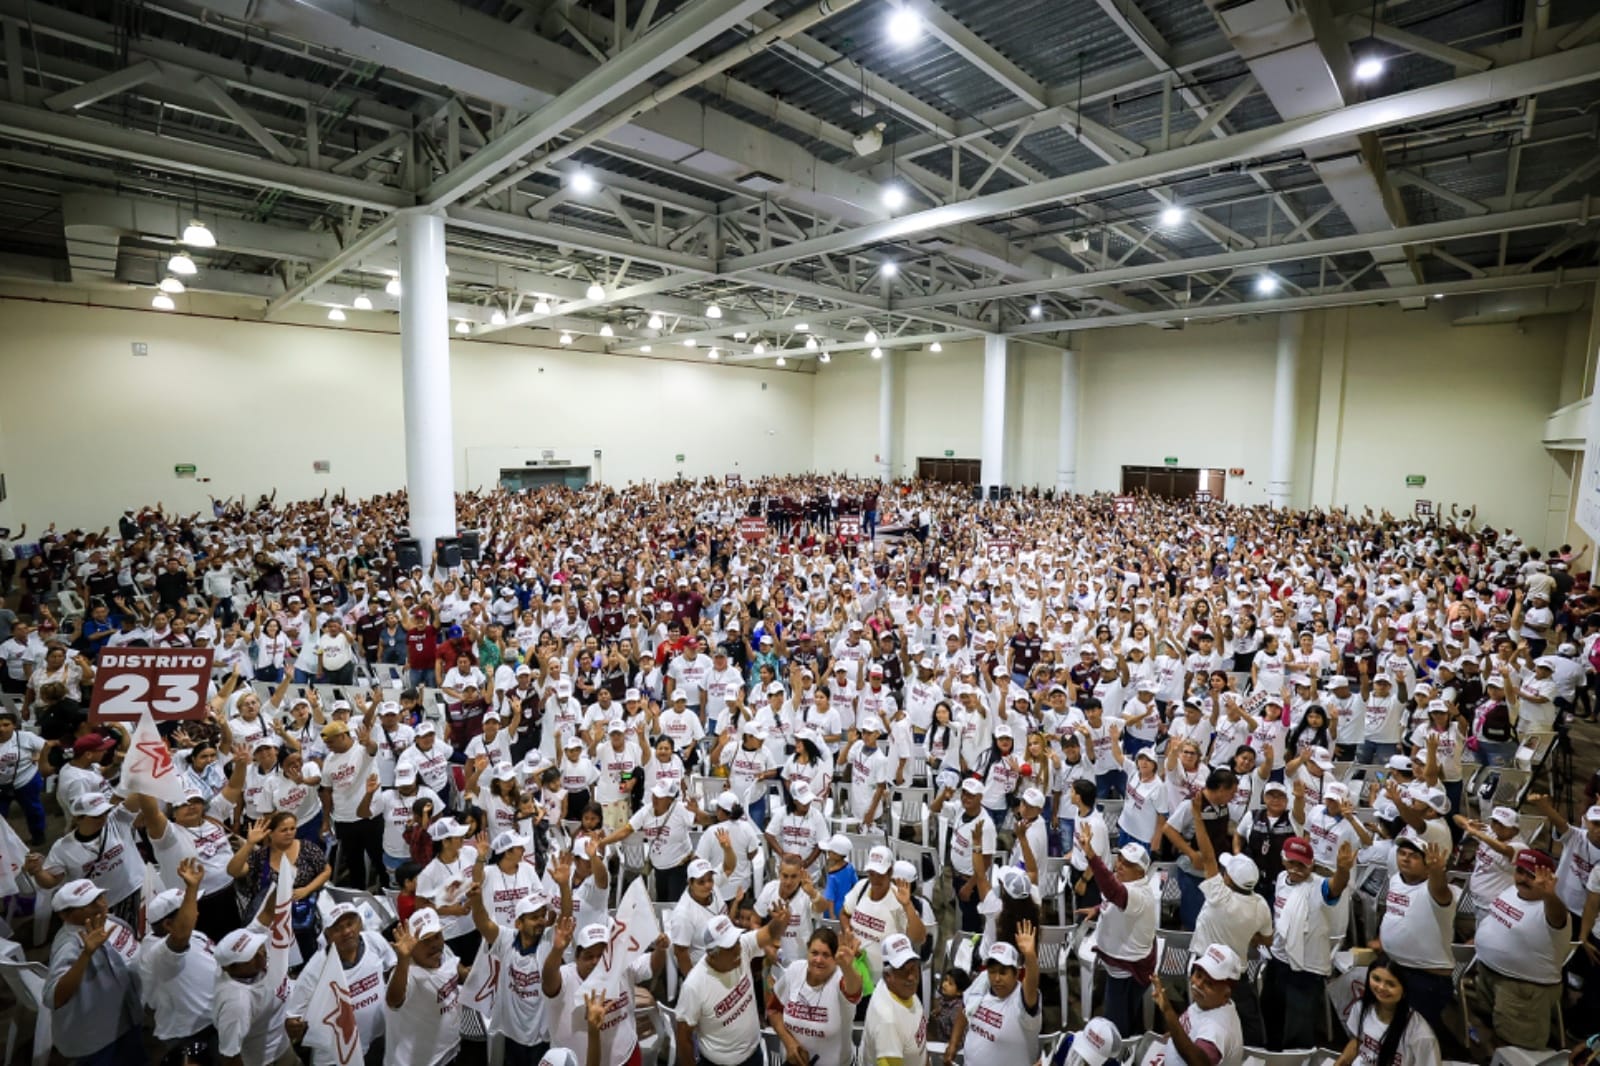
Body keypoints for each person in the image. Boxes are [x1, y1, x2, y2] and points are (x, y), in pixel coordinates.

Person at [1469, 848, 1569, 1052]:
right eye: (1520, 871)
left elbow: (1559, 918)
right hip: (1489, 974)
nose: (1523, 879)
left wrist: (1549, 896)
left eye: (1531, 875)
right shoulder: (1511, 891)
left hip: (1523, 988)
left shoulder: (1551, 908)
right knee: (1492, 1029)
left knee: (1517, 1047)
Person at [1262, 836, 1355, 1050]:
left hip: (1305, 968)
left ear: (1311, 864)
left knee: (1298, 1027)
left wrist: (1342, 871)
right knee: (1272, 1013)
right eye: (1291, 862)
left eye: (1302, 865)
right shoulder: (1281, 878)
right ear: (1283, 859)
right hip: (1279, 959)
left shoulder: (1318, 886)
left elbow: (1335, 887)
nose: (1295, 869)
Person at [541, 915, 671, 1066]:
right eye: (589, 956)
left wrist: (660, 949)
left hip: (626, 1055)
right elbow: (548, 980)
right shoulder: (566, 978)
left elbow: (651, 965)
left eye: (602, 955)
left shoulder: (621, 965)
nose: (596, 961)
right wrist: (557, 950)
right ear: (577, 958)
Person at [44, 878, 145, 1065]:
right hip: (98, 1036)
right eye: (89, 904)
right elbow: (54, 997)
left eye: (100, 897)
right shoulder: (69, 945)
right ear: (65, 915)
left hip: (127, 1017)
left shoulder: (111, 921)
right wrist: (86, 954)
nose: (101, 905)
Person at [674, 906, 790, 1066]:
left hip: (753, 1055)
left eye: (736, 941)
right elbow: (683, 1037)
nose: (737, 949)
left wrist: (780, 922)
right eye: (729, 947)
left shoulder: (743, 946)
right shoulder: (694, 986)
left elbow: (769, 933)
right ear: (712, 955)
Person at [286, 902, 396, 1066]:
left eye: (350, 924)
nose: (346, 932)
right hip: (338, 1054)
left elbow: (391, 967)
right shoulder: (315, 968)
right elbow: (293, 1015)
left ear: (359, 924)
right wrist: (294, 1025)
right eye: (338, 928)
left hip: (377, 1038)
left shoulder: (375, 941)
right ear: (327, 935)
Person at [468, 870, 556, 1066]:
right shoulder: (506, 939)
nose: (541, 921)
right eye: (534, 917)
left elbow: (566, 916)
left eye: (543, 915)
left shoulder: (549, 941)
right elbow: (484, 923)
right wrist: (476, 900)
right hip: (512, 1034)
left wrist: (564, 887)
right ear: (519, 923)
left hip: (542, 1035)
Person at [1078, 824, 1158, 1038]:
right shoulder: (1126, 884)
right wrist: (1097, 909)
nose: (1120, 865)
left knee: (1116, 1025)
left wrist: (1091, 855)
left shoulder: (1139, 894)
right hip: (1120, 961)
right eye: (1120, 859)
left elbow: (1114, 892)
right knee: (1128, 1013)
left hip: (1127, 968)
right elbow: (1113, 900)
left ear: (1140, 871)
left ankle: (1119, 1050)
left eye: (1127, 864)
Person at [1376, 834, 1459, 1038]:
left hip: (1426, 978)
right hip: (1395, 969)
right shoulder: (1396, 880)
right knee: (1393, 1030)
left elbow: (1440, 890)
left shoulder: (1438, 891)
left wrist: (1437, 872)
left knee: (1417, 1036)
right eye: (1402, 853)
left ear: (1427, 866)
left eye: (1413, 856)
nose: (1405, 858)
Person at [139, 858, 220, 1059]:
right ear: (168, 924)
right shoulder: (158, 953)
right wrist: (191, 889)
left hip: (215, 1019)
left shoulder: (194, 934)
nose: (196, 911)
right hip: (193, 1033)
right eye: (188, 908)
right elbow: (180, 937)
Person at [945, 922, 1043, 1065]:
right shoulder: (983, 981)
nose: (997, 978)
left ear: (1016, 973)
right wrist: (953, 1045)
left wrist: (1030, 955)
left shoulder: (1022, 1001)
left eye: (1003, 972)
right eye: (992, 971)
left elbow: (1032, 983)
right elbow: (964, 1009)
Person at [770, 926, 863, 1066]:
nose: (818, 960)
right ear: (807, 951)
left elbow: (854, 991)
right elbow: (774, 1010)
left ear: (835, 958)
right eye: (814, 953)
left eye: (826, 955)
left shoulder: (841, 978)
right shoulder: (795, 970)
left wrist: (848, 967)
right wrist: (789, 1043)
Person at [384, 908, 462, 1066]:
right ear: (411, 946)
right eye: (425, 941)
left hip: (449, 1050)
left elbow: (458, 970)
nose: (434, 944)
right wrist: (403, 960)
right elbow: (394, 1000)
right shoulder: (408, 973)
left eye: (437, 936)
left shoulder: (444, 952)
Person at [1148, 943, 1246, 1066]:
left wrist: (1168, 1011)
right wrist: (1176, 1034)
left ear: (1226, 995)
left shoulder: (1217, 1029)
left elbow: (1198, 1063)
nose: (1198, 984)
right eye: (1198, 975)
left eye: (1209, 984)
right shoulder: (1208, 1003)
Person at [1333, 956, 1442, 1066]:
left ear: (1404, 990)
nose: (1381, 987)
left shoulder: (1421, 1035)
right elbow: (1357, 1041)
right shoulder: (1361, 1007)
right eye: (1376, 979)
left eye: (1391, 984)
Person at [212, 925, 293, 1066]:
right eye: (251, 955)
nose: (261, 954)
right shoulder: (236, 1004)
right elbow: (230, 1056)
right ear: (230, 968)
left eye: (258, 947)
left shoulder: (256, 966)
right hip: (266, 1060)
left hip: (283, 1044)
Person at [859, 933, 926, 1066]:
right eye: (903, 971)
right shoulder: (887, 1021)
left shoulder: (901, 989)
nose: (911, 977)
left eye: (913, 968)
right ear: (887, 975)